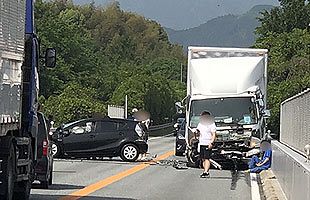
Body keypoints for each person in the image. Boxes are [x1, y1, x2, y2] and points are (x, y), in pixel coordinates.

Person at [195, 111, 216, 178]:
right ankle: (205, 170)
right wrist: (196, 132)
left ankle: (206, 172)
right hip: (201, 142)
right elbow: (198, 133)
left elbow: (214, 134)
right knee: (203, 158)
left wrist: (211, 142)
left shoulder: (211, 124)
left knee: (207, 158)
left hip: (208, 143)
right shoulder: (200, 124)